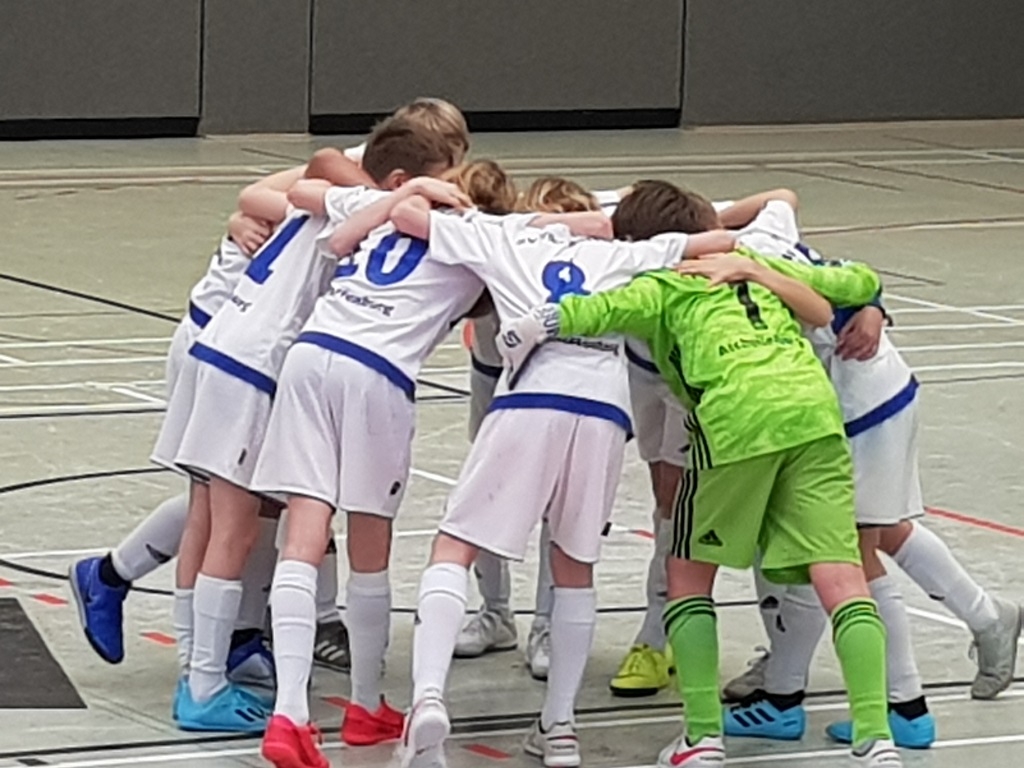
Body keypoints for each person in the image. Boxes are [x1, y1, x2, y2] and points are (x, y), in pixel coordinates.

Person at [497, 180, 902, 768]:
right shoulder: (758, 261)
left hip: (736, 420)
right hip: (815, 417)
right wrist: (865, 302)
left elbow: (594, 309)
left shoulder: (660, 282)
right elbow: (857, 281)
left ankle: (703, 737)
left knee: (687, 574)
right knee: (840, 576)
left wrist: (534, 324)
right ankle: (875, 736)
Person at [386, 188, 727, 768]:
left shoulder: (502, 235)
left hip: (531, 397)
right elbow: (716, 239)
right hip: (603, 410)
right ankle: (560, 727)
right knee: (575, 567)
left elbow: (406, 215)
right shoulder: (626, 252)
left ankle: (427, 699)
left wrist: (531, 221)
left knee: (454, 546)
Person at [163, 117, 459, 734]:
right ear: (402, 181)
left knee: (208, 519)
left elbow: (303, 174)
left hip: (219, 344)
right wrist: (408, 198)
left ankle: (197, 667)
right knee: (234, 530)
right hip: (255, 361)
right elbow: (326, 163)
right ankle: (202, 683)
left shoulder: (334, 198)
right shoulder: (373, 213)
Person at [717, 191, 1022, 748]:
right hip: (870, 396)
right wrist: (871, 300)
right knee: (878, 532)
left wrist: (873, 303)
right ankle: (984, 615)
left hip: (857, 404)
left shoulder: (742, 268)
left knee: (843, 552)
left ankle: (898, 704)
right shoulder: (759, 233)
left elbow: (838, 284)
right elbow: (789, 207)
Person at [254, 160, 514, 768]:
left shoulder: (384, 209)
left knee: (303, 534)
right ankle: (366, 703)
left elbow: (304, 191)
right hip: (378, 371)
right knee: (370, 544)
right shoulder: (481, 234)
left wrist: (404, 192)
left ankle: (289, 713)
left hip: (310, 354)